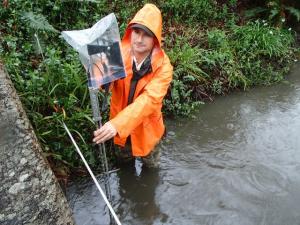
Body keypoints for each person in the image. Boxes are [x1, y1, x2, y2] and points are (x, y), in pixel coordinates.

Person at [93, 3, 173, 168]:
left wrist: (117, 124)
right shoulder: (117, 52)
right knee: (124, 167)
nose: (139, 39)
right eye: (136, 32)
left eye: (146, 35)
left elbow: (149, 100)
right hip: (120, 130)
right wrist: (98, 73)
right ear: (131, 31)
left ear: (156, 39)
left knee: (151, 168)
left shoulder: (164, 67)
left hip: (147, 131)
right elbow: (99, 78)